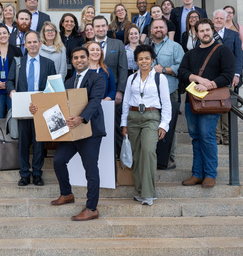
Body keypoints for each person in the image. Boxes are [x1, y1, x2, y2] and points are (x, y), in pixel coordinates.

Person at [40, 47, 106, 221]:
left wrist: (81, 118)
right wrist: (36, 108)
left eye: (82, 57)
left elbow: (95, 100)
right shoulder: (68, 82)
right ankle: (67, 193)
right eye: (75, 57)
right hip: (71, 131)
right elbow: (56, 103)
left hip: (90, 130)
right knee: (58, 160)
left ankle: (91, 208)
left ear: (88, 58)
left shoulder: (98, 78)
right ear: (72, 60)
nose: (79, 60)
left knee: (91, 169)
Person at [178, 18, 235, 188]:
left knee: (207, 136)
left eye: (207, 30)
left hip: (211, 101)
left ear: (212, 31)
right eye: (201, 31)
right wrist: (197, 78)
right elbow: (182, 72)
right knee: (195, 137)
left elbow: (228, 75)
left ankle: (210, 174)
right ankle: (197, 174)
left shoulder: (222, 50)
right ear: (196, 33)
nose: (205, 33)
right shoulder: (190, 53)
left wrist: (208, 85)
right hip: (192, 101)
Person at [121, 44, 172, 206]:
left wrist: (164, 124)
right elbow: (126, 102)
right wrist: (124, 123)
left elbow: (166, 102)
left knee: (148, 151)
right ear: (136, 61)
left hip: (151, 117)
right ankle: (140, 190)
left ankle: (149, 193)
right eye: (140, 58)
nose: (144, 61)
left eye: (147, 58)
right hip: (133, 117)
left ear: (152, 59)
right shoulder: (132, 79)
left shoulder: (160, 78)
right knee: (137, 154)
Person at [6, 30, 56, 186]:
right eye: (29, 42)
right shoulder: (18, 62)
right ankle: (24, 174)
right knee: (23, 142)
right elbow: (9, 81)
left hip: (41, 108)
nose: (33, 45)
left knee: (39, 142)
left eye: (35, 42)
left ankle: (37, 173)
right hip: (22, 107)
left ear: (40, 44)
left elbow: (53, 86)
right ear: (25, 45)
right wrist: (11, 90)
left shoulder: (49, 63)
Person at [149, 19, 185, 169]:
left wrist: (163, 70)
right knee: (150, 124)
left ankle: (169, 157)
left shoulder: (175, 47)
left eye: (161, 27)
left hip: (169, 91)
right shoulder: (145, 47)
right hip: (149, 93)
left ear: (166, 29)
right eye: (155, 27)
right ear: (151, 30)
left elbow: (182, 67)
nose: (158, 29)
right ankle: (153, 157)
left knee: (168, 124)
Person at [93, 15, 128, 158]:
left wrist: (119, 91)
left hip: (113, 94)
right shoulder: (87, 46)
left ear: (107, 27)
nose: (100, 29)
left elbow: (123, 68)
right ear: (93, 28)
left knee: (115, 126)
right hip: (93, 95)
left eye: (103, 26)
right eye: (97, 26)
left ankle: (119, 158)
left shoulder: (117, 44)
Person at [212, 9, 243, 145]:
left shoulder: (233, 35)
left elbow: (239, 57)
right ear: (213, 20)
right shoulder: (208, 34)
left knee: (225, 105)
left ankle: (226, 135)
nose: (219, 20)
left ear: (225, 20)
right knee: (213, 105)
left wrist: (236, 75)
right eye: (216, 18)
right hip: (212, 77)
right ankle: (216, 134)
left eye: (221, 18)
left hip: (228, 76)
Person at [0, 24, 22, 118]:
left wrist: (10, 84)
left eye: (5, 33)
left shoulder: (17, 51)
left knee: (13, 116)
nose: (3, 36)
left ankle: (13, 133)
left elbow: (20, 70)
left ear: (9, 34)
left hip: (12, 89)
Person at [60, 13, 85, 80]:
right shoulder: (57, 37)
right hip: (60, 69)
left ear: (74, 24)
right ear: (62, 23)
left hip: (75, 70)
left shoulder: (79, 38)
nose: (69, 23)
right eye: (67, 21)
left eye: (72, 21)